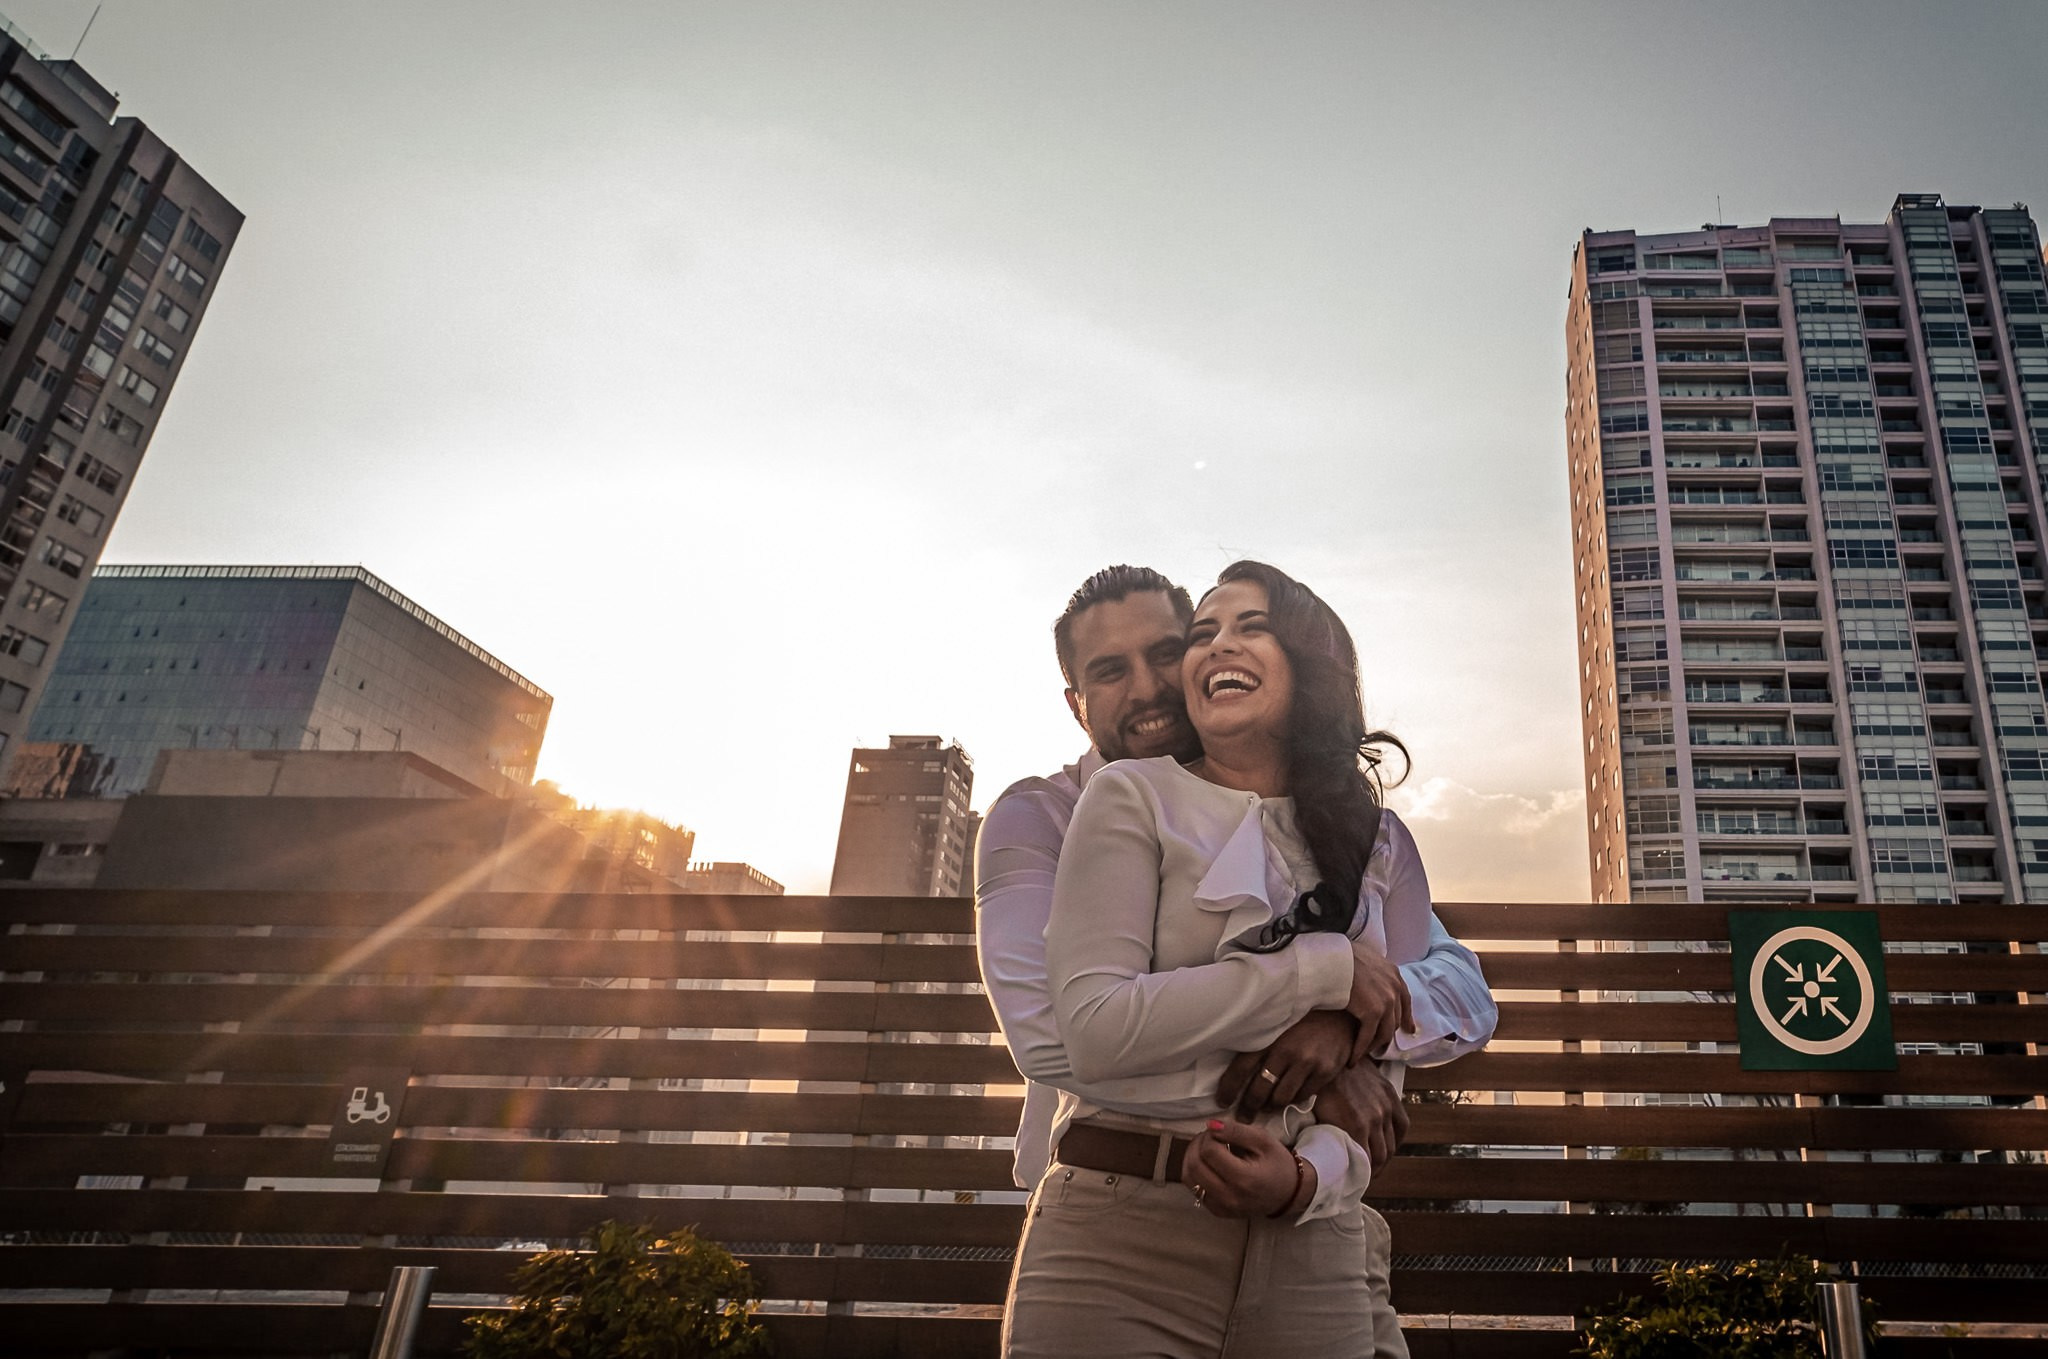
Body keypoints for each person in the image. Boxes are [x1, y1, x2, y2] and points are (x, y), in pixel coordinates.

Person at [976, 562, 1496, 1358]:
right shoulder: (1050, 813)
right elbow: (1058, 1036)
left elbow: (1448, 983)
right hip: (1126, 1214)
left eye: (1166, 650)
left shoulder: (1350, 830)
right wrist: (1309, 1059)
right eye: (1110, 671)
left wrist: (1342, 1032)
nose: (1150, 687)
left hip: (1313, 1210)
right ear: (1076, 702)